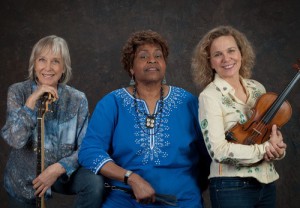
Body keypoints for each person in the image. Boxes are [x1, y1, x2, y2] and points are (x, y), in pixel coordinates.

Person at [78, 30, 211, 208]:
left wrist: (188, 188)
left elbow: (208, 154)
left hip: (182, 201)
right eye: (143, 56)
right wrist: (130, 178)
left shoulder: (188, 102)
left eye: (158, 55)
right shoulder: (112, 103)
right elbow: (90, 152)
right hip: (125, 201)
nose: (152, 59)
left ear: (164, 64)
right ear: (131, 68)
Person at [1, 35, 104, 208]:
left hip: (62, 173)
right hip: (24, 179)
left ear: (63, 68)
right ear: (34, 65)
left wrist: (59, 168)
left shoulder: (77, 99)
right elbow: (14, 139)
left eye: (55, 61)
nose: (48, 68)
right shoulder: (18, 92)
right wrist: (31, 102)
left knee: (94, 182)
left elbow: (86, 147)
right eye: (42, 60)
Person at [191, 25, 287, 208]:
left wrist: (277, 148)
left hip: (267, 183)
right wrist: (263, 150)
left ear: (241, 54)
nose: (226, 58)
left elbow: (268, 135)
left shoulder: (258, 88)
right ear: (210, 62)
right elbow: (218, 151)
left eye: (231, 51)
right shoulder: (209, 96)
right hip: (231, 187)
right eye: (218, 54)